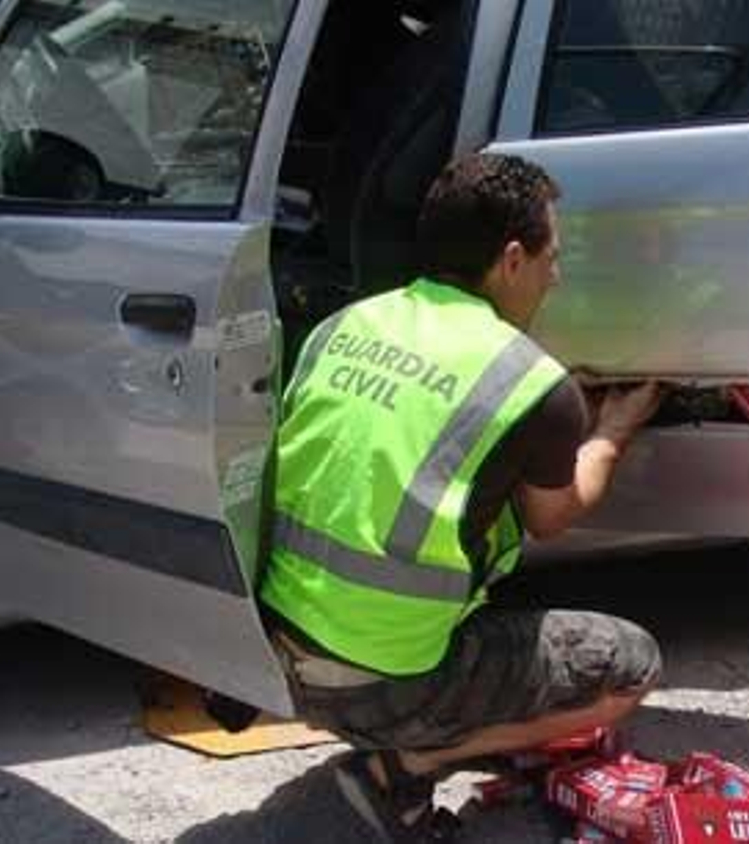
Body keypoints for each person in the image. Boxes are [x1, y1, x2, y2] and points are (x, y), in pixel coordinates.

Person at [259, 153, 664, 842]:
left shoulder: (344, 324)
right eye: (550, 257)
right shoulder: (530, 382)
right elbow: (553, 515)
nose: (556, 275)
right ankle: (414, 758)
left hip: (273, 654)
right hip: (379, 682)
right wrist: (614, 431)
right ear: (511, 260)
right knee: (630, 666)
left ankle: (408, 734)